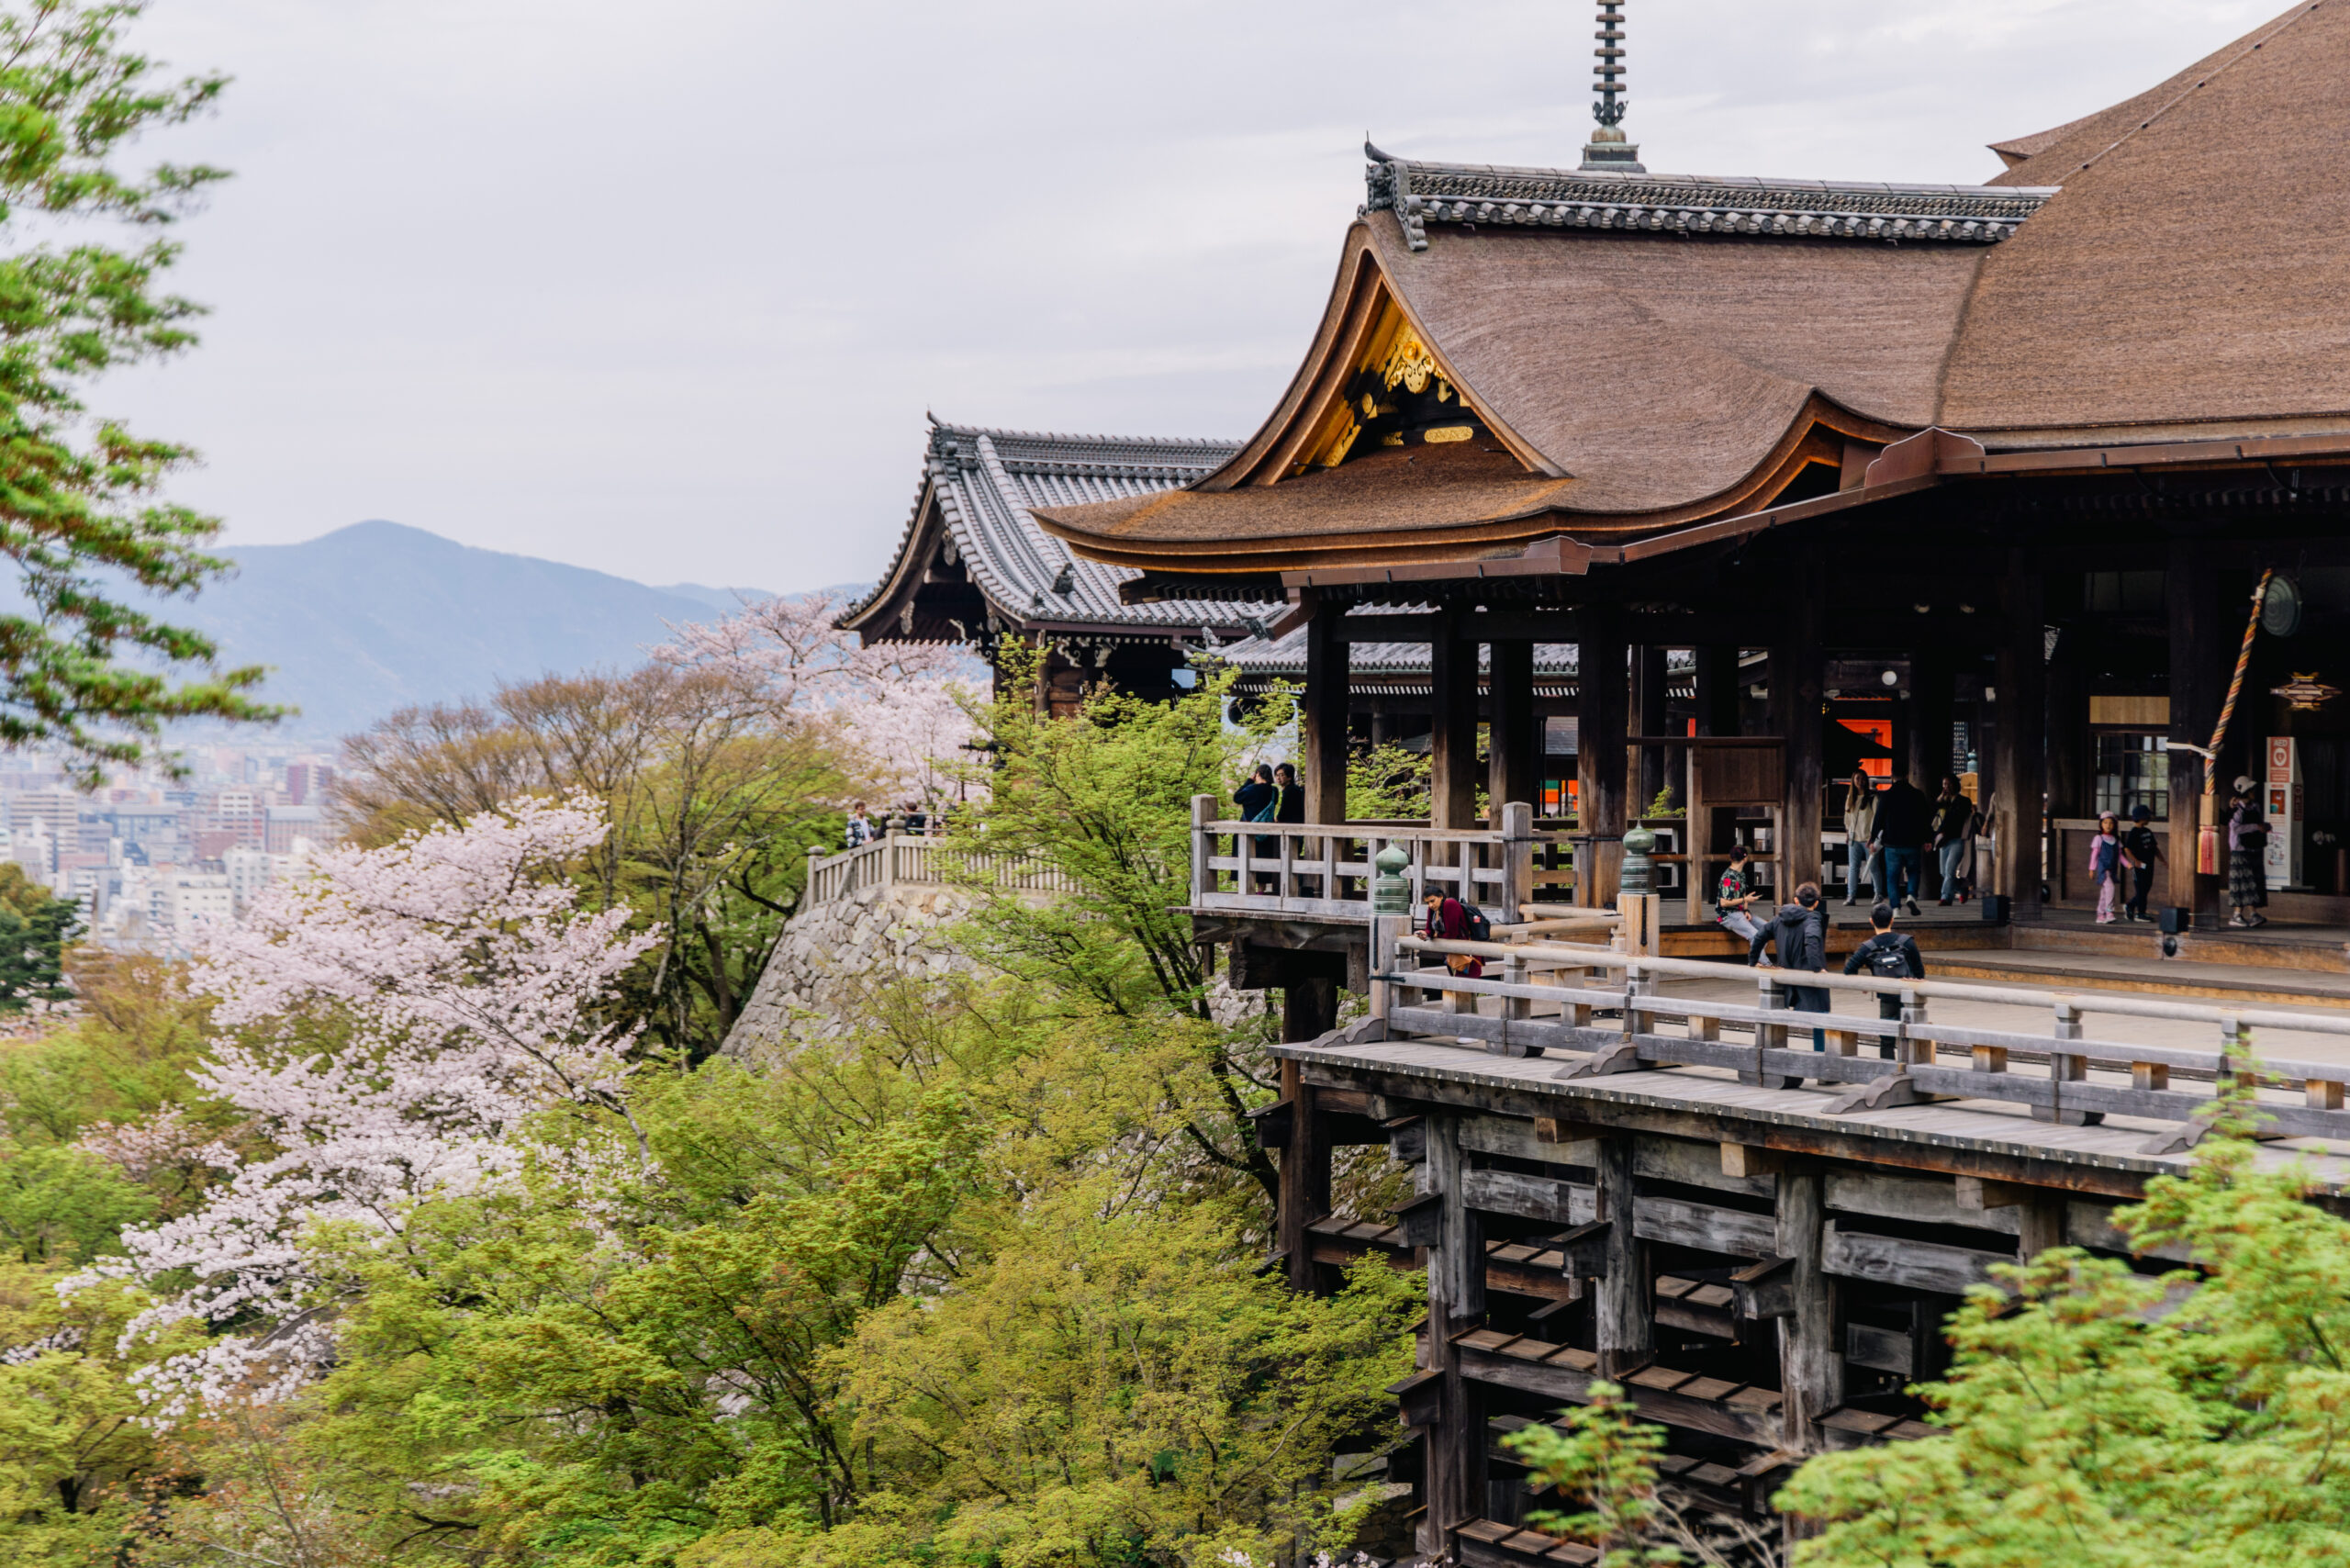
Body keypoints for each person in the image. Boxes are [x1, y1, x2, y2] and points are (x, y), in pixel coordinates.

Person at [1750, 880, 1830, 1050]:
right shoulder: (1812, 918)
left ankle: (1777, 1056)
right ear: (1816, 903)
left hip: (1785, 978)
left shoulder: (1780, 918)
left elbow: (1759, 937)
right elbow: (1812, 940)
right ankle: (1822, 1061)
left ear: (1796, 900)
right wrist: (1817, 967)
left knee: (1778, 1018)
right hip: (1809, 978)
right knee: (1821, 1019)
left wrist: (1753, 961)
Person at [1842, 900, 1924, 1058]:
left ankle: (1887, 1069)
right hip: (1909, 996)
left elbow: (1848, 969)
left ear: (1871, 921)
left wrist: (1865, 983)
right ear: (1892, 920)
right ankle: (1910, 1067)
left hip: (1886, 997)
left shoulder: (1868, 947)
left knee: (1886, 1037)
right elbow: (1919, 970)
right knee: (1911, 1033)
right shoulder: (1907, 942)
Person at [1871, 764, 1932, 918]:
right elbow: (1925, 819)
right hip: (1913, 842)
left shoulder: (1886, 796)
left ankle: (1896, 908)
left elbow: (1878, 819)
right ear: (1907, 775)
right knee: (1913, 871)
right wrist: (1928, 839)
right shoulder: (1917, 795)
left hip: (1892, 843)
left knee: (1892, 876)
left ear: (1892, 776)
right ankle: (1911, 895)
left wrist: (1872, 838)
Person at [2227, 776, 2269, 928]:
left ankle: (2253, 913)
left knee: (2253, 883)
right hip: (2240, 850)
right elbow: (2236, 828)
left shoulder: (2255, 807)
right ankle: (2237, 915)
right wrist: (2255, 827)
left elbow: (2258, 823)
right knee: (2242, 883)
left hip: (2254, 848)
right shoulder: (2237, 809)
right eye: (2251, 790)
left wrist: (2264, 827)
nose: (2253, 793)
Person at [1930, 776, 1976, 906]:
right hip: (1943, 841)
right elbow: (1932, 810)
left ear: (1955, 785)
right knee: (1943, 872)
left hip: (1957, 839)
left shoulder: (1963, 801)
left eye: (1949, 784)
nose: (1946, 787)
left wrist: (1944, 829)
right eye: (1944, 784)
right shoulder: (1943, 802)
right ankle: (1961, 889)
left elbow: (1956, 817)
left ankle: (1945, 897)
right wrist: (1940, 798)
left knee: (1950, 870)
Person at [1235, 764, 1278, 890]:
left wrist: (1249, 780)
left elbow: (1237, 797)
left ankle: (1246, 891)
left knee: (1245, 860)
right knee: (1262, 861)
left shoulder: (1252, 789)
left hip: (1249, 832)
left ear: (1257, 774)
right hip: (1266, 832)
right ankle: (1261, 892)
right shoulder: (1273, 791)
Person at [1422, 890, 1483, 978]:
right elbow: (1429, 930)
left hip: (1466, 953)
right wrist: (1424, 934)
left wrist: (1436, 936)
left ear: (1441, 896)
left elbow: (1451, 934)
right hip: (1451, 953)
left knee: (1464, 986)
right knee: (1456, 986)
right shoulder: (1433, 908)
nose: (1430, 905)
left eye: (1432, 901)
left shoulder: (1450, 904)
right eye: (1427, 903)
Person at [1841, 770, 1878, 907]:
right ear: (1853, 780)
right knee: (1853, 868)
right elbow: (1848, 818)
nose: (1860, 781)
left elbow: (1876, 818)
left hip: (1868, 837)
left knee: (1873, 866)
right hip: (1854, 837)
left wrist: (1873, 836)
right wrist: (1847, 833)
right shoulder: (1851, 797)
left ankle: (1878, 893)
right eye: (1857, 778)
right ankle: (1851, 895)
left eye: (1863, 779)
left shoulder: (1872, 798)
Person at [1715, 843, 1762, 944]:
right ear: (1745, 859)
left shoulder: (1741, 874)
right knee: (1755, 935)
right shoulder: (1728, 877)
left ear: (1731, 858)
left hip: (1740, 912)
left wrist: (1746, 910)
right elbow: (1723, 903)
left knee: (1767, 928)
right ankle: (1760, 960)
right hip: (1728, 915)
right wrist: (1745, 900)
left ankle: (1759, 959)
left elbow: (1743, 893)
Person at [2122, 804, 2162, 923]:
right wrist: (2135, 861)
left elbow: (2154, 848)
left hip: (2149, 864)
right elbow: (2127, 849)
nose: (2149, 818)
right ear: (2141, 817)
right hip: (2139, 865)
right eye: (2147, 816)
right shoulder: (2134, 832)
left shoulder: (2148, 831)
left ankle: (2131, 905)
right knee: (2140, 889)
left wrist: (2163, 860)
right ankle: (2140, 913)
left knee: (2146, 888)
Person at [2088, 812, 2126, 924]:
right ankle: (2109, 912)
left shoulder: (2116, 840)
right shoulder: (2098, 838)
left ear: (2115, 825)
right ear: (2101, 824)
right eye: (2105, 823)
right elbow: (2094, 855)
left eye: (2111, 823)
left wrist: (2128, 864)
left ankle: (2100, 914)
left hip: (2112, 869)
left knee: (2105, 893)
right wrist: (2092, 869)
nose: (2108, 825)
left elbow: (2120, 855)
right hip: (2103, 869)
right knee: (2110, 888)